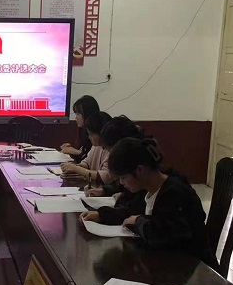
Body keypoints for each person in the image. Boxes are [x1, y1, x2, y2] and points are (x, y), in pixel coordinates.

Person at [80, 137, 218, 269]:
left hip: (192, 268)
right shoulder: (148, 189)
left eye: (123, 177)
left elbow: (164, 235)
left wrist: (138, 221)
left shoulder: (175, 193)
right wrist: (101, 214)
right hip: (168, 263)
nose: (121, 183)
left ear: (140, 170)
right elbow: (130, 212)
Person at [83, 115, 144, 198]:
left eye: (109, 150)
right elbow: (120, 186)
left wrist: (124, 197)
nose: (110, 154)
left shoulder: (135, 163)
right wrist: (104, 190)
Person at [60, 111, 112, 183]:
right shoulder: (96, 146)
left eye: (91, 134)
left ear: (101, 133)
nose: (89, 137)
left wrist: (76, 169)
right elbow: (87, 162)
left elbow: (105, 177)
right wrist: (76, 166)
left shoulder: (111, 150)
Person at [60, 95, 100, 163]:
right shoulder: (83, 131)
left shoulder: (97, 134)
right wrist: (71, 149)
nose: (76, 118)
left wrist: (76, 152)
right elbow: (83, 153)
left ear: (87, 114)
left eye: (78, 114)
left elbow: (92, 160)